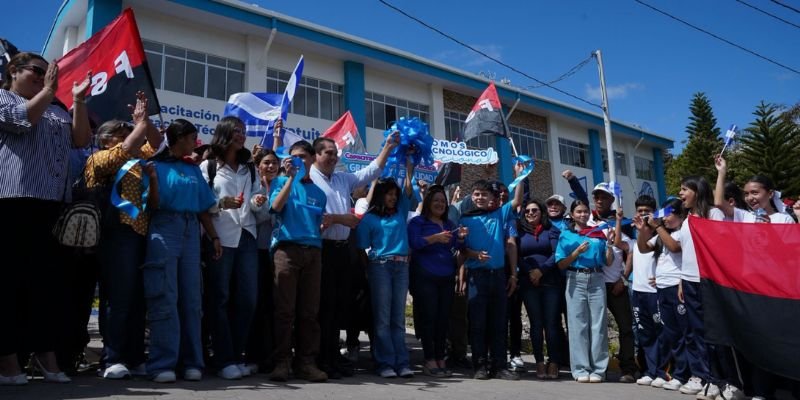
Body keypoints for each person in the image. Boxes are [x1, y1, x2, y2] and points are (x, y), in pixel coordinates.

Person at [0, 52, 91, 385]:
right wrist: (50, 91)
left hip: (52, 205)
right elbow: (22, 120)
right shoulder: (4, 98)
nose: (43, 77)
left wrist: (78, 101)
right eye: (37, 71)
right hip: (12, 201)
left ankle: (45, 354)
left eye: (47, 73)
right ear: (13, 70)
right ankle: (7, 360)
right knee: (9, 285)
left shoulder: (56, 108)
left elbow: (80, 141)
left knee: (46, 286)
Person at [85, 92, 162, 379]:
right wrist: (139, 124)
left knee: (137, 299)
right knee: (118, 297)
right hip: (115, 232)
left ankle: (133, 356)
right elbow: (125, 150)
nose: (130, 137)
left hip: (140, 232)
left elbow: (154, 143)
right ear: (106, 139)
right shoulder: (100, 158)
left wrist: (145, 122)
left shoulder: (137, 155)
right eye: (122, 133)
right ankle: (112, 357)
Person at [310, 132, 398, 379]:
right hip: (321, 250)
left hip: (341, 250)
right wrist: (341, 219)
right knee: (323, 307)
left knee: (339, 306)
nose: (333, 157)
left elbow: (370, 172)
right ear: (316, 155)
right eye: (328, 153)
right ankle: (321, 357)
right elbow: (315, 217)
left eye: (335, 153)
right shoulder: (309, 179)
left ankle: (333, 355)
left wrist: (388, 147)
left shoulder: (341, 179)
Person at [142, 119, 222, 383]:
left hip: (190, 231)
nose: (195, 143)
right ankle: (162, 363)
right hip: (164, 226)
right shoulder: (156, 165)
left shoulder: (193, 169)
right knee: (165, 294)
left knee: (191, 298)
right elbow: (152, 204)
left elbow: (202, 207)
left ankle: (192, 362)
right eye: (191, 138)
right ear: (177, 139)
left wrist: (213, 236)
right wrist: (153, 180)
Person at [200, 116, 261, 380]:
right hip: (220, 236)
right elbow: (201, 202)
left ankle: (236, 357)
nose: (242, 135)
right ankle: (224, 360)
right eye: (237, 131)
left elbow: (259, 202)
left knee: (248, 299)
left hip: (247, 236)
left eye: (244, 131)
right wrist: (221, 203)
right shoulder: (209, 166)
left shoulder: (250, 168)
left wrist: (259, 200)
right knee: (220, 299)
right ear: (225, 133)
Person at [268, 140, 329, 383]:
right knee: (284, 311)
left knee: (309, 312)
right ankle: (282, 362)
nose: (298, 161)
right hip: (286, 251)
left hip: (313, 253)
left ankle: (306, 362)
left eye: (303, 157)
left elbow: (317, 223)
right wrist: (290, 179)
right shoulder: (281, 182)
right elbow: (275, 206)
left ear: (313, 159)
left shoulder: (319, 193)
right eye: (293, 157)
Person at [459, 172, 524, 381]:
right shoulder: (465, 218)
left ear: (491, 198)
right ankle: (479, 365)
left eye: (483, 194)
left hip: (498, 276)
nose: (479, 198)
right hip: (476, 276)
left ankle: (500, 366)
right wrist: (474, 254)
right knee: (477, 324)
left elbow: (517, 200)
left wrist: (521, 176)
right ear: (472, 196)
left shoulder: (499, 214)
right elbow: (461, 251)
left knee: (498, 322)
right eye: (476, 194)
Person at [355, 158, 415, 379]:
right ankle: (384, 363)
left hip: (401, 267)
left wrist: (409, 167)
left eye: (394, 194)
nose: (392, 197)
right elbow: (361, 248)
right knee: (382, 319)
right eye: (388, 193)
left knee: (397, 319)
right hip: (379, 266)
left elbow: (408, 191)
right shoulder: (369, 219)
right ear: (380, 195)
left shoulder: (400, 212)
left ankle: (402, 362)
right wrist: (368, 271)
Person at [669, 175, 725, 397]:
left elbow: (721, 244)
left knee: (712, 332)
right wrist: (682, 281)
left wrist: (721, 172)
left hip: (709, 282)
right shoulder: (687, 220)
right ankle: (703, 376)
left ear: (698, 191)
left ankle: (720, 379)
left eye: (685, 189)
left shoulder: (713, 214)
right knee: (695, 332)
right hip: (689, 282)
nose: (680, 194)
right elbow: (686, 255)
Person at [407, 184, 467, 377]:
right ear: (428, 203)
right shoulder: (418, 222)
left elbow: (455, 245)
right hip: (425, 276)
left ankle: (440, 358)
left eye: (443, 201)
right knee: (429, 319)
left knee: (443, 320)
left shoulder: (449, 224)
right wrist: (434, 238)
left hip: (446, 276)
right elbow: (414, 243)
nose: (440, 204)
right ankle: (429, 359)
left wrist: (462, 239)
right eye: (436, 201)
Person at [555, 200, 618, 383]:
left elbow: (607, 262)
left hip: (597, 278)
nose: (582, 215)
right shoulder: (566, 235)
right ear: (572, 214)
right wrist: (575, 253)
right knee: (577, 325)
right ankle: (581, 368)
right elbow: (560, 264)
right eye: (579, 212)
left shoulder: (598, 233)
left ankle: (599, 369)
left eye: (585, 212)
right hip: (575, 278)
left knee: (598, 325)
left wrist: (609, 245)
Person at [633, 197, 687, 390]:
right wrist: (641, 232)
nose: (665, 218)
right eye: (664, 214)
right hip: (662, 288)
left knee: (680, 334)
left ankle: (680, 373)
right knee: (671, 333)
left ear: (681, 215)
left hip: (676, 288)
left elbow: (674, 247)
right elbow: (643, 248)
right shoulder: (661, 234)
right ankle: (666, 372)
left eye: (669, 213)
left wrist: (657, 228)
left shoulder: (681, 233)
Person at [516, 199, 562, 379]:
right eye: (527, 211)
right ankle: (539, 362)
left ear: (541, 212)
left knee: (551, 325)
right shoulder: (520, 232)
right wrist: (530, 272)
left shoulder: (551, 230)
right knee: (536, 324)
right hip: (528, 283)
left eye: (534, 210)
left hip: (550, 282)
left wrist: (541, 271)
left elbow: (557, 253)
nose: (530, 213)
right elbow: (516, 255)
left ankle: (554, 362)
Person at [245, 146, 280, 373]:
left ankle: (275, 356)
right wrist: (267, 203)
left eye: (274, 163)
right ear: (259, 167)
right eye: (266, 163)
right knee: (257, 305)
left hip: (279, 253)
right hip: (258, 252)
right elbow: (259, 217)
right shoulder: (254, 188)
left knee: (276, 307)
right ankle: (255, 355)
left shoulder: (285, 186)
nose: (270, 166)